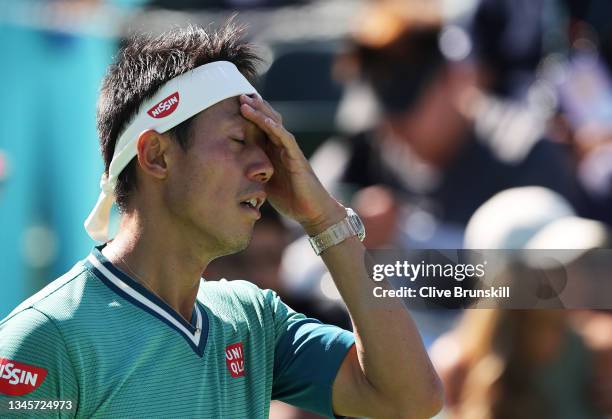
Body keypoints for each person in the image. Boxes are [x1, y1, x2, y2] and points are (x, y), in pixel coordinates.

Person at [0, 23, 442, 418]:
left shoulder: (254, 318)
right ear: (156, 155)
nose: (266, 167)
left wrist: (325, 218)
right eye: (238, 140)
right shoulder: (43, 339)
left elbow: (410, 399)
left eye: (266, 143)